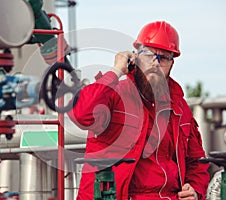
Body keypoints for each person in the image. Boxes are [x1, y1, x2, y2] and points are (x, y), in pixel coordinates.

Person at [68, 21, 210, 200]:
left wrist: (195, 190)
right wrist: (116, 70)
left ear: (172, 64)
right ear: (135, 57)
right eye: (148, 54)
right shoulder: (113, 95)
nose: (155, 63)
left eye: (164, 58)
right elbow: (82, 114)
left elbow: (196, 162)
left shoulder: (180, 109)